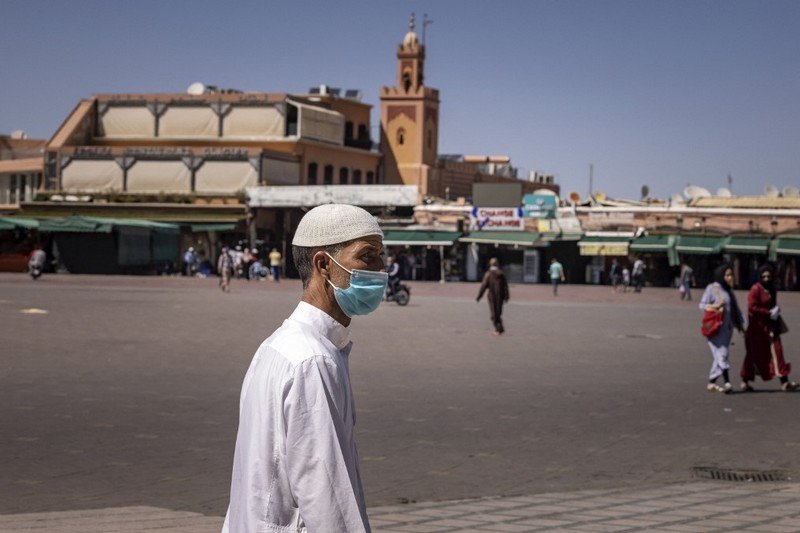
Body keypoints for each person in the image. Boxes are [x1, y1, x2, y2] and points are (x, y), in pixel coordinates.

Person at [223, 204, 384, 533]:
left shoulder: (277, 346)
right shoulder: (313, 361)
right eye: (367, 256)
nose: (381, 269)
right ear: (324, 265)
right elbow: (328, 496)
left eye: (381, 256)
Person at [740, 264, 799, 392]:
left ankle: (784, 382)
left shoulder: (772, 289)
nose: (766, 279)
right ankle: (745, 381)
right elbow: (752, 308)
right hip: (757, 329)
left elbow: (772, 305)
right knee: (753, 354)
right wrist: (768, 313)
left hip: (771, 326)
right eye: (764, 276)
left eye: (769, 276)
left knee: (778, 351)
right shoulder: (756, 289)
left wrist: (775, 312)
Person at [699, 265, 744, 393]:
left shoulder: (729, 291)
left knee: (719, 355)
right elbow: (702, 305)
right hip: (714, 328)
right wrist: (716, 306)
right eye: (727, 275)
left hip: (727, 330)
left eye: (731, 275)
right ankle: (727, 382)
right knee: (722, 354)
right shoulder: (712, 288)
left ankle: (711, 382)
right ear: (721, 275)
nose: (730, 277)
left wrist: (741, 326)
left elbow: (736, 310)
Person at [477, 257, 510, 335]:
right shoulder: (501, 274)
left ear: (490, 264)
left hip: (492, 296)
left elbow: (483, 286)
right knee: (498, 312)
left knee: (493, 314)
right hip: (500, 296)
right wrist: (506, 296)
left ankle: (498, 329)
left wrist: (479, 296)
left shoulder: (488, 274)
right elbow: (505, 286)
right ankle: (500, 328)